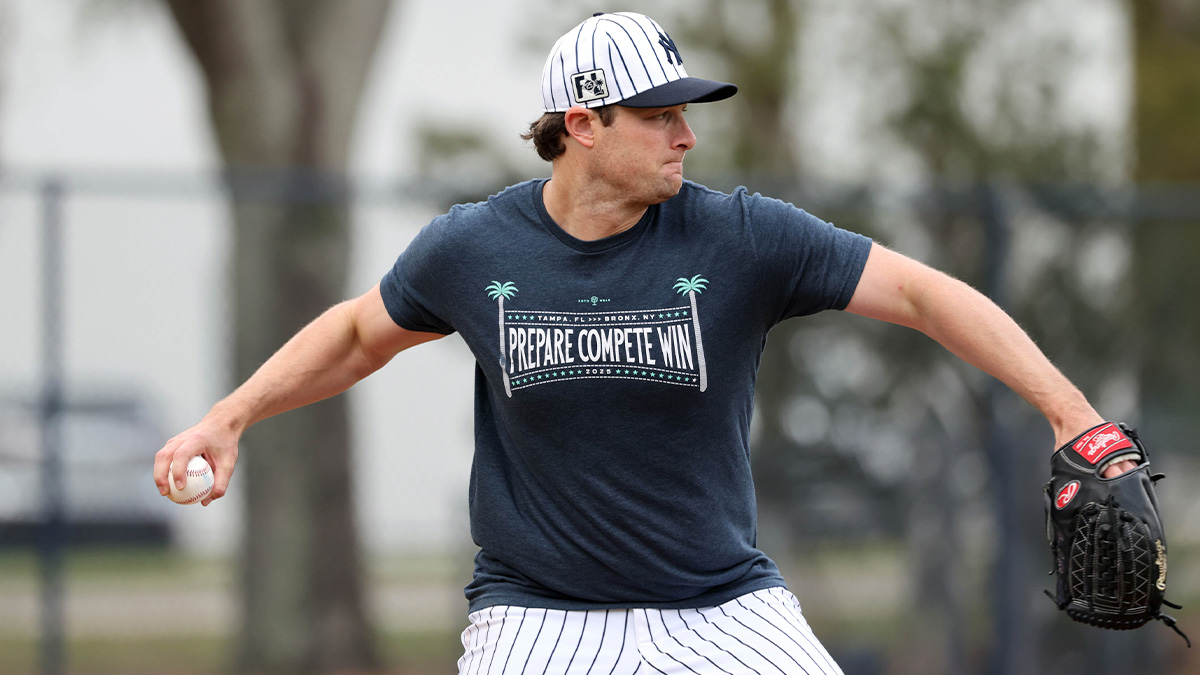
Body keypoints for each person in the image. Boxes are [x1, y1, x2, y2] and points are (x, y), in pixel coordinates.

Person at [154, 12, 1134, 674]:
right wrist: (229, 415)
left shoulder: (741, 237)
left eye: (686, 115)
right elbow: (362, 332)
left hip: (722, 609)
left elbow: (924, 295)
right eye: (660, 116)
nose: (686, 138)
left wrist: (1071, 409)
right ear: (582, 123)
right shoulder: (475, 247)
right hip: (537, 621)